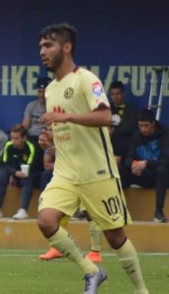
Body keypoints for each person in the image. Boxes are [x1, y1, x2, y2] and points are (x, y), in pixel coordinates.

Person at [37, 23, 147, 294]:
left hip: (97, 172)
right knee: (46, 220)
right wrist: (50, 139)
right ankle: (92, 271)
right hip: (65, 172)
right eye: (40, 46)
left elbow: (105, 116)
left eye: (48, 45)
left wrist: (66, 117)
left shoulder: (86, 79)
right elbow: (63, 129)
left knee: (115, 237)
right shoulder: (50, 90)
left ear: (66, 47)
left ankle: (141, 290)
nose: (42, 51)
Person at [37, 126, 104, 263]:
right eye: (48, 129)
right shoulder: (60, 135)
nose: (48, 131)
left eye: (50, 129)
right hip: (67, 177)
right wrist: (48, 147)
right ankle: (57, 248)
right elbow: (49, 158)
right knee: (57, 210)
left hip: (89, 174)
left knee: (90, 212)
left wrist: (61, 148)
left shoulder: (79, 129)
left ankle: (95, 252)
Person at [119, 109, 169, 223]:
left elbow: (167, 159)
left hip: (160, 175)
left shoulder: (165, 133)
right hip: (142, 174)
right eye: (140, 125)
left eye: (146, 125)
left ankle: (158, 211)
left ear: (153, 123)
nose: (143, 129)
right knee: (121, 169)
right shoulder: (137, 135)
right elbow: (128, 158)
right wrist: (133, 165)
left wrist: (146, 164)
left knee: (163, 169)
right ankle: (119, 210)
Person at [0, 125, 40, 220]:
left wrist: (16, 173)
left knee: (27, 178)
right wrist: (14, 173)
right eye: (12, 138)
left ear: (24, 138)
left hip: (33, 175)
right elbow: (4, 164)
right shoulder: (8, 145)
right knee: (2, 173)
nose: (13, 141)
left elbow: (30, 166)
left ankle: (23, 210)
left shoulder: (31, 146)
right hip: (16, 174)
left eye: (16, 138)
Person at [109, 81, 139, 163]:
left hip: (126, 143)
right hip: (109, 141)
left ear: (123, 93)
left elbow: (132, 127)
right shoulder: (107, 108)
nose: (115, 97)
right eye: (113, 94)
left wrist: (114, 131)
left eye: (118, 93)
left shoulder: (132, 108)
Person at [23, 77, 52, 143]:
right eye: (39, 91)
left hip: (47, 138)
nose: (42, 95)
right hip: (31, 138)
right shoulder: (31, 105)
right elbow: (24, 127)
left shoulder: (54, 107)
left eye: (44, 92)